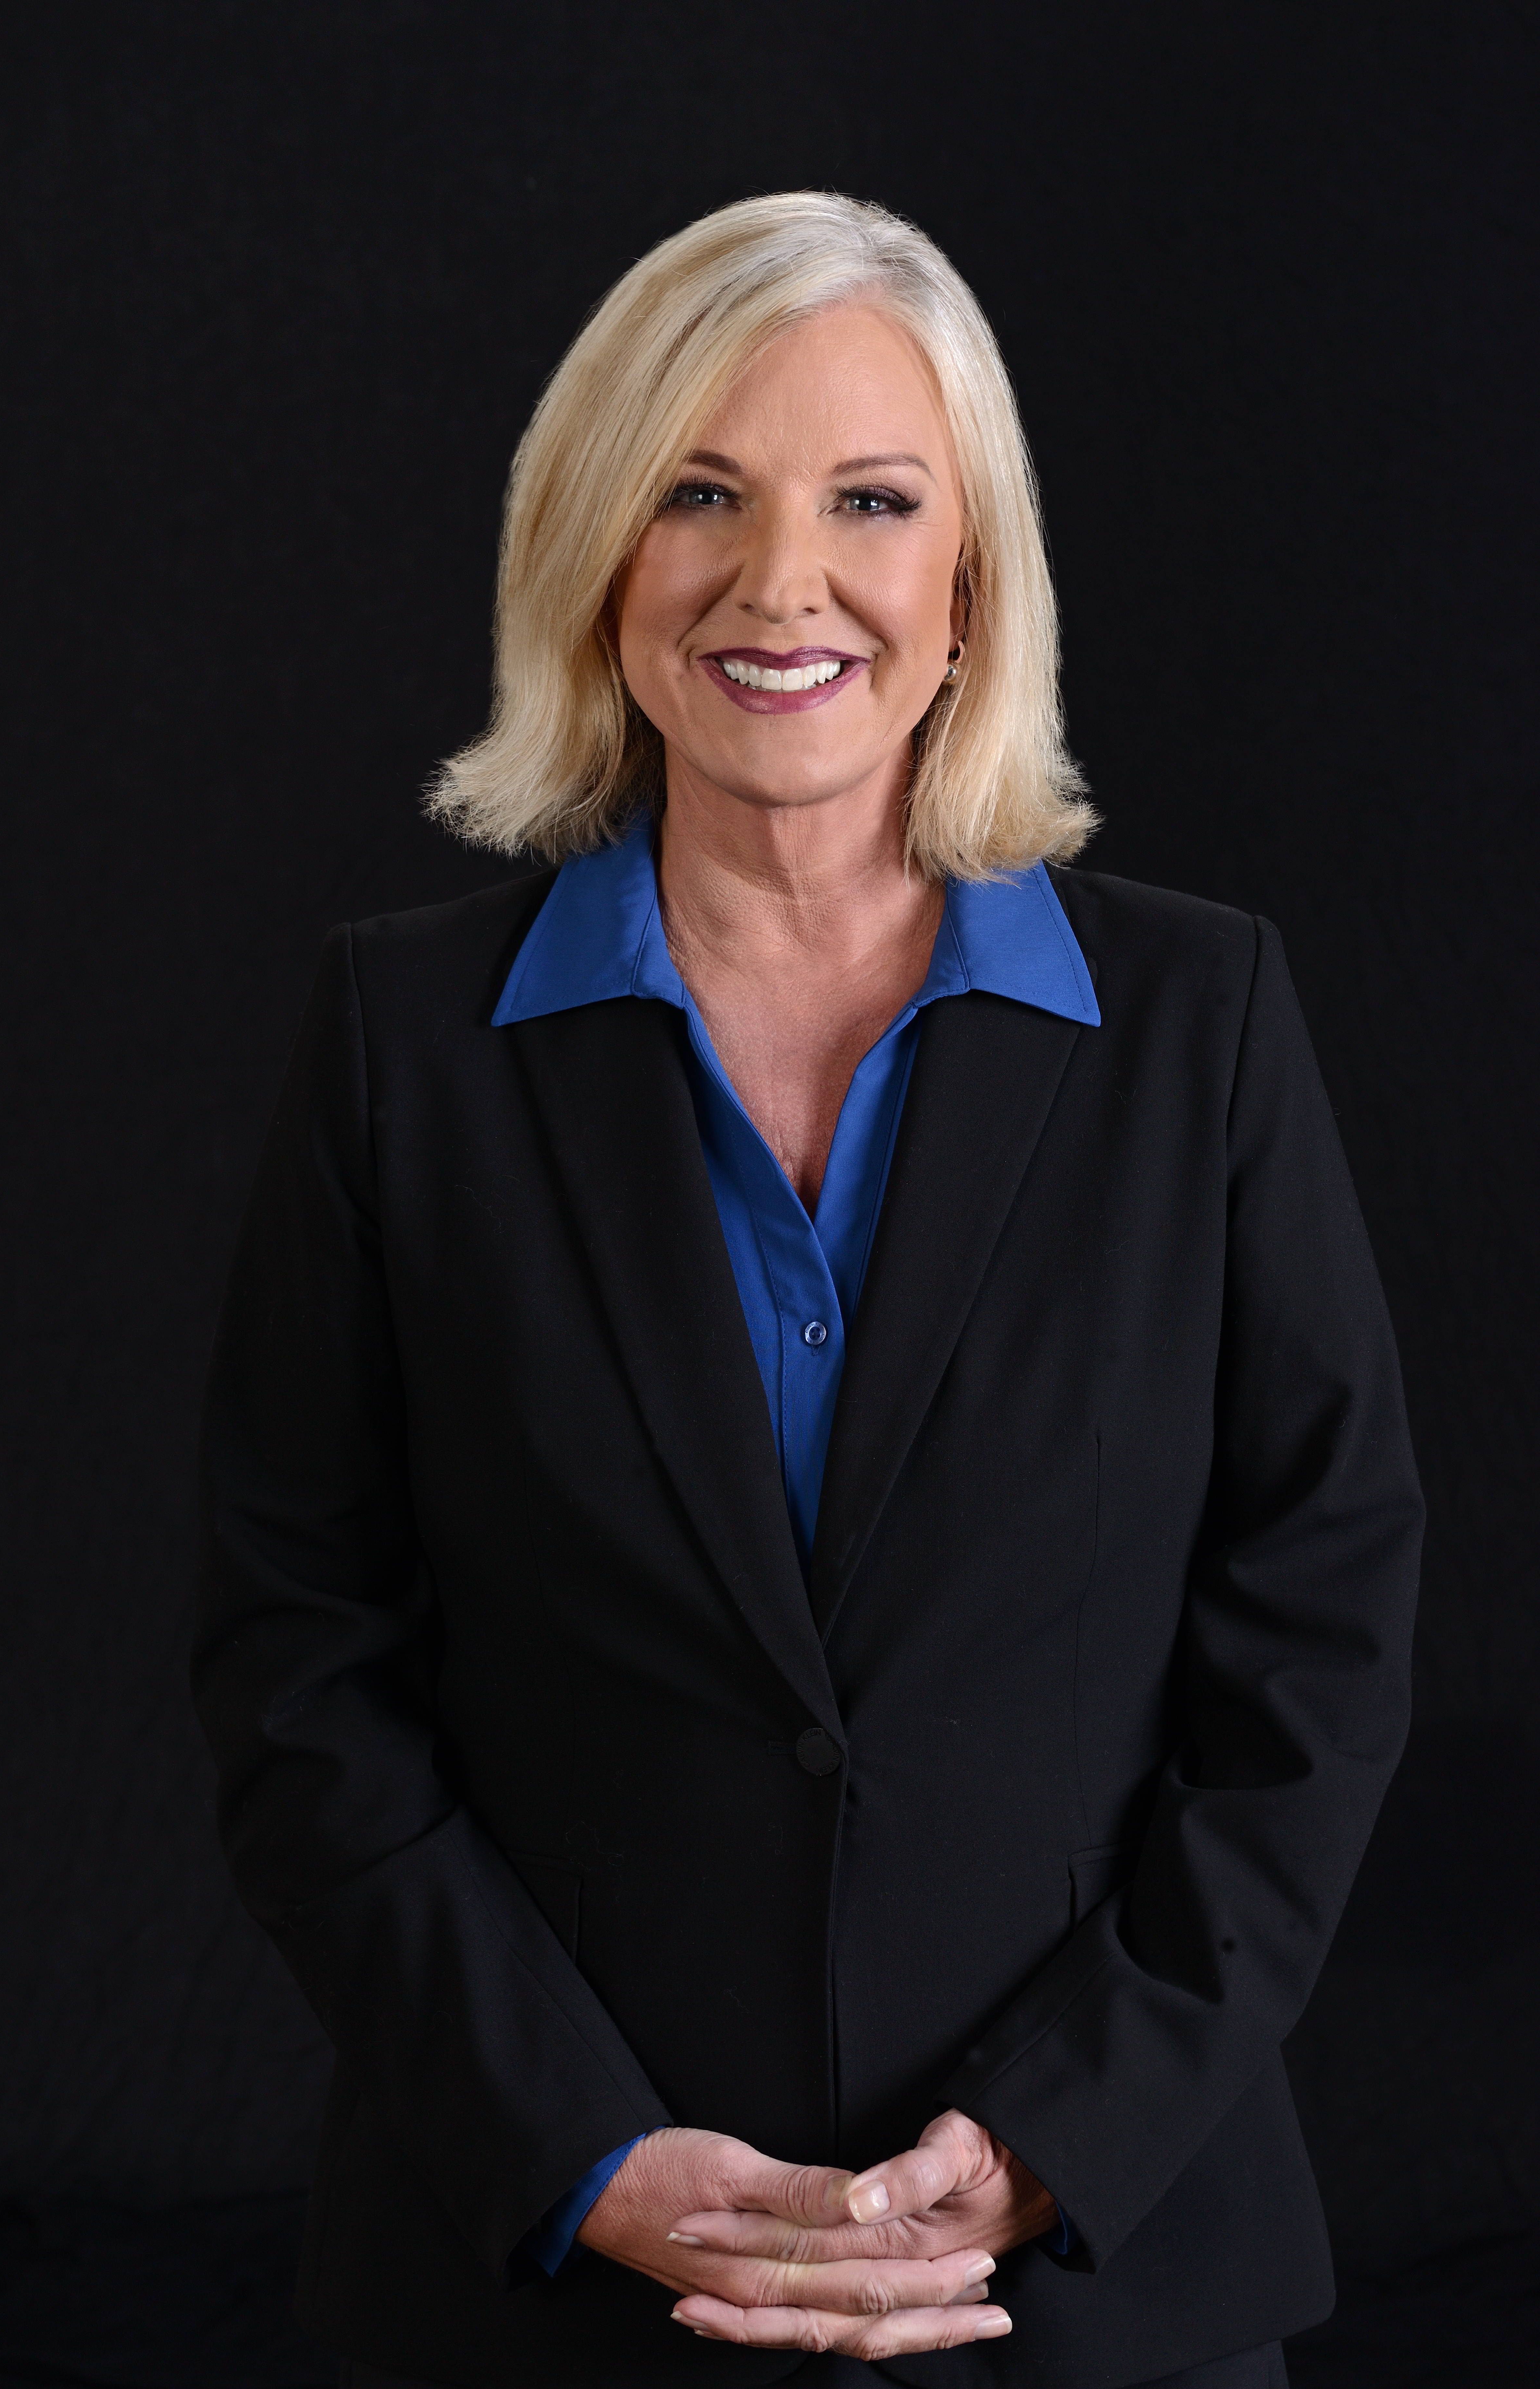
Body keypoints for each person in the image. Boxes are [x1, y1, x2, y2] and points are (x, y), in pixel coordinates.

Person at [192, 193, 1422, 2389]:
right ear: (597, 557)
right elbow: (301, 1665)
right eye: (699, 494)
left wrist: (1060, 2133)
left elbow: (1319, 1635)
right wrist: (580, 2153)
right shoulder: (402, 1048)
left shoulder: (1203, 1023)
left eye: (871, 500)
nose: (783, 583)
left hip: (1091, 2287)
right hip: (546, 2292)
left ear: (972, 580)